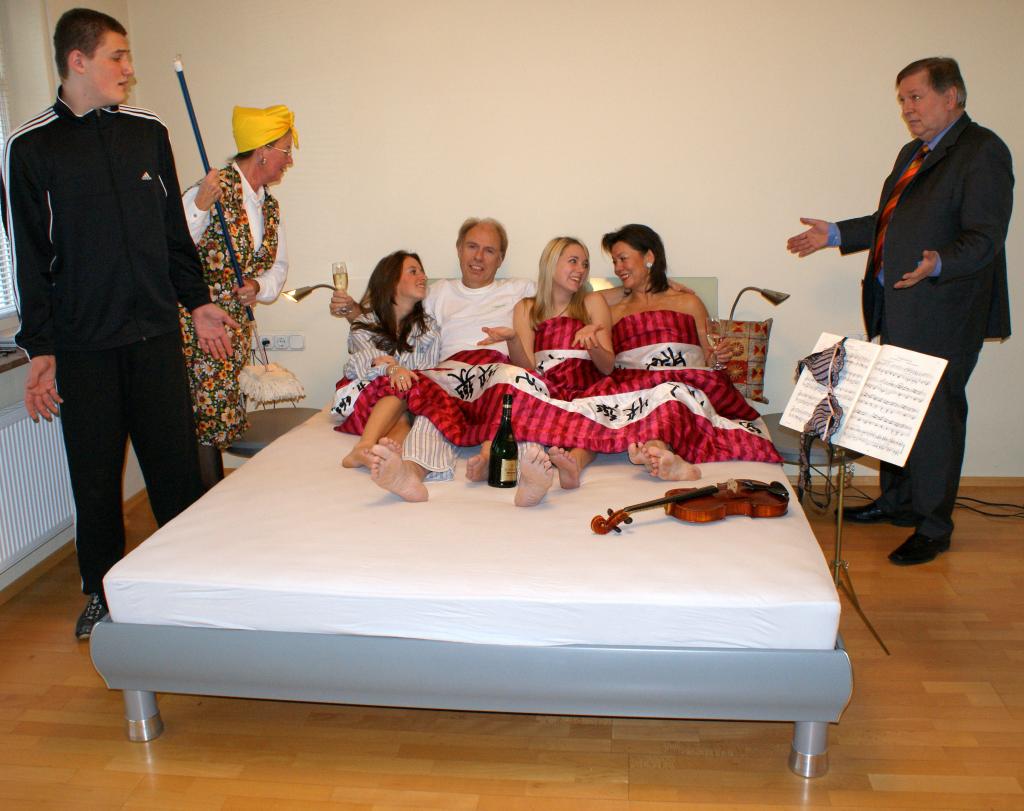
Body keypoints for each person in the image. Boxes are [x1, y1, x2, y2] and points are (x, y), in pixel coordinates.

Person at [0, 8, 237, 639]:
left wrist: (197, 301)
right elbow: (28, 256)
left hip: (155, 335)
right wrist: (40, 348)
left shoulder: (147, 132)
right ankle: (104, 594)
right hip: (85, 347)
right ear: (78, 61)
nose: (129, 69)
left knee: (176, 471)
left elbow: (172, 235)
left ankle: (188, 583)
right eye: (117, 57)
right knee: (96, 481)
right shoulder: (31, 147)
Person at [786, 57, 1013, 566]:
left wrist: (939, 263)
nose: (908, 109)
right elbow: (889, 220)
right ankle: (898, 502)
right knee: (895, 407)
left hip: (945, 310)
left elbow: (985, 236)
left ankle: (933, 526)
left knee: (935, 418)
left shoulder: (982, 151)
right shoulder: (914, 153)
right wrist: (836, 234)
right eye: (902, 100)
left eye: (916, 97)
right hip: (898, 305)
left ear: (951, 96)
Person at [391, 225, 780, 493]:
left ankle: (647, 454)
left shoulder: (625, 301)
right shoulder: (536, 303)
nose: (614, 269)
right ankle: (500, 455)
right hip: (550, 382)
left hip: (610, 381)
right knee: (517, 387)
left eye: (616, 260)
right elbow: (529, 363)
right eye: (575, 262)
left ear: (648, 257)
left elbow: (618, 359)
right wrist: (512, 341)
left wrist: (597, 340)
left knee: (644, 399)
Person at [339, 217, 544, 505]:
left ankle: (520, 471)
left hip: (498, 370)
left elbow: (564, 299)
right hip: (449, 374)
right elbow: (391, 309)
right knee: (430, 411)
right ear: (459, 249)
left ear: (500, 259)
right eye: (472, 246)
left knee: (519, 393)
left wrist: (605, 304)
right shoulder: (436, 292)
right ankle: (410, 474)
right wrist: (354, 312)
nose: (478, 256)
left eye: (489, 250)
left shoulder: (521, 289)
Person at [180, 104, 297, 488]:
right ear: (262, 150)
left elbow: (278, 267)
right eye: (285, 150)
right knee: (206, 420)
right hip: (201, 331)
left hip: (236, 332)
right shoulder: (211, 188)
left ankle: (217, 501)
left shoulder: (270, 206)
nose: (289, 160)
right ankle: (203, 505)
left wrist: (258, 287)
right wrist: (200, 206)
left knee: (224, 418)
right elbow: (173, 247)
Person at [471, 236, 614, 491]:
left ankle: (573, 466)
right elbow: (526, 368)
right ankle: (492, 459)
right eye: (573, 261)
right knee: (509, 390)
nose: (581, 270)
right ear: (551, 263)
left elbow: (608, 367)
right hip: (546, 388)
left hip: (585, 388)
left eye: (585, 264)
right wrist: (513, 339)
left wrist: (592, 343)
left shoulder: (592, 303)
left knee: (594, 415)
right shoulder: (527, 308)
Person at [332, 250, 440, 468]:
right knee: (400, 385)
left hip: (404, 407)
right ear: (391, 281)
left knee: (407, 402)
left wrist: (401, 373)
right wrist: (392, 370)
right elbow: (360, 363)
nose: (423, 277)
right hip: (365, 406)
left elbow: (426, 375)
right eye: (413, 271)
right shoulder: (364, 324)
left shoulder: (428, 329)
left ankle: (383, 457)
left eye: (422, 271)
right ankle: (364, 446)